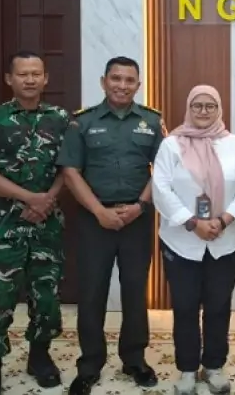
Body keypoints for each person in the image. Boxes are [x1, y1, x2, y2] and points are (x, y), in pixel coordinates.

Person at [57, 56, 165, 395]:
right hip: (94, 220)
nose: (122, 85)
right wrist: (99, 212)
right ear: (104, 82)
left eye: (129, 80)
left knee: (135, 290)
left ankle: (134, 359)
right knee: (91, 293)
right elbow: (70, 171)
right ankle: (89, 365)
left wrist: (140, 206)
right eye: (116, 79)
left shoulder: (151, 121)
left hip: (137, 219)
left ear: (138, 85)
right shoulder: (82, 122)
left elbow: (164, 169)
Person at [0, 51, 69, 395]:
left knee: (47, 298)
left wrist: (47, 200)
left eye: (36, 73)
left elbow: (69, 169)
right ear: (9, 79)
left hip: (47, 226)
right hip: (4, 227)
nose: (30, 79)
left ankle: (39, 357)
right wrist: (30, 199)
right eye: (23, 74)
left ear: (46, 78)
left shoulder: (60, 119)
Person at [152, 85, 235, 395]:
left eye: (210, 106)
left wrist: (224, 219)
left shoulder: (233, 144)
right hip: (182, 242)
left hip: (224, 241)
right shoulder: (171, 145)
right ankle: (187, 369)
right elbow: (161, 187)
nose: (203, 111)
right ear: (188, 108)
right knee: (184, 307)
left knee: (218, 306)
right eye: (197, 105)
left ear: (219, 109)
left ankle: (213, 366)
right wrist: (193, 222)